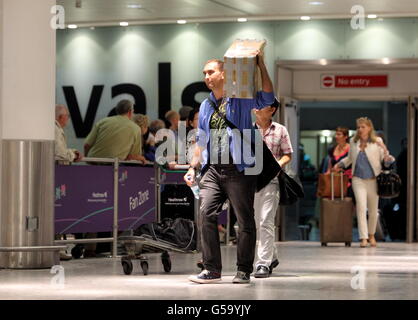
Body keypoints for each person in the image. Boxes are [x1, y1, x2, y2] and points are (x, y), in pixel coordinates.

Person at [185, 52, 275, 284]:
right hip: (213, 169)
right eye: (204, 73)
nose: (207, 77)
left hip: (239, 168)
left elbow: (267, 96)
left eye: (211, 72)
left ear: (224, 74)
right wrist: (193, 167)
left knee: (244, 220)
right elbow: (201, 139)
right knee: (206, 214)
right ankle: (211, 269)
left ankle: (243, 270)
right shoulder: (206, 105)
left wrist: (261, 65)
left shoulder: (241, 98)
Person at [333, 117, 394, 248]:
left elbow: (386, 160)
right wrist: (340, 164)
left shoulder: (377, 141)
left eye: (363, 127)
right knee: (361, 207)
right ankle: (363, 237)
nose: (360, 129)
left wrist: (384, 148)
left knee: (373, 210)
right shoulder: (354, 142)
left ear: (369, 128)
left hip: (373, 180)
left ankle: (372, 235)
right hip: (358, 179)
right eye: (358, 127)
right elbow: (349, 159)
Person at [253, 98, 293, 278]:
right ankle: (272, 255)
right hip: (251, 183)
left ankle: (262, 263)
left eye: (261, 105)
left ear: (271, 110)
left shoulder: (280, 130)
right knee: (255, 223)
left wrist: (277, 165)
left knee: (265, 221)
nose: (256, 107)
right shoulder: (248, 130)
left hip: (271, 181)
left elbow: (288, 155)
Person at [54, 104, 83, 260]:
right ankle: (55, 248)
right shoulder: (55, 129)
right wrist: (72, 154)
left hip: (57, 176)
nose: (68, 120)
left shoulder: (55, 129)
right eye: (68, 116)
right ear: (61, 117)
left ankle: (57, 247)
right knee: (55, 210)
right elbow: (59, 153)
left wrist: (71, 152)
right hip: (56, 177)